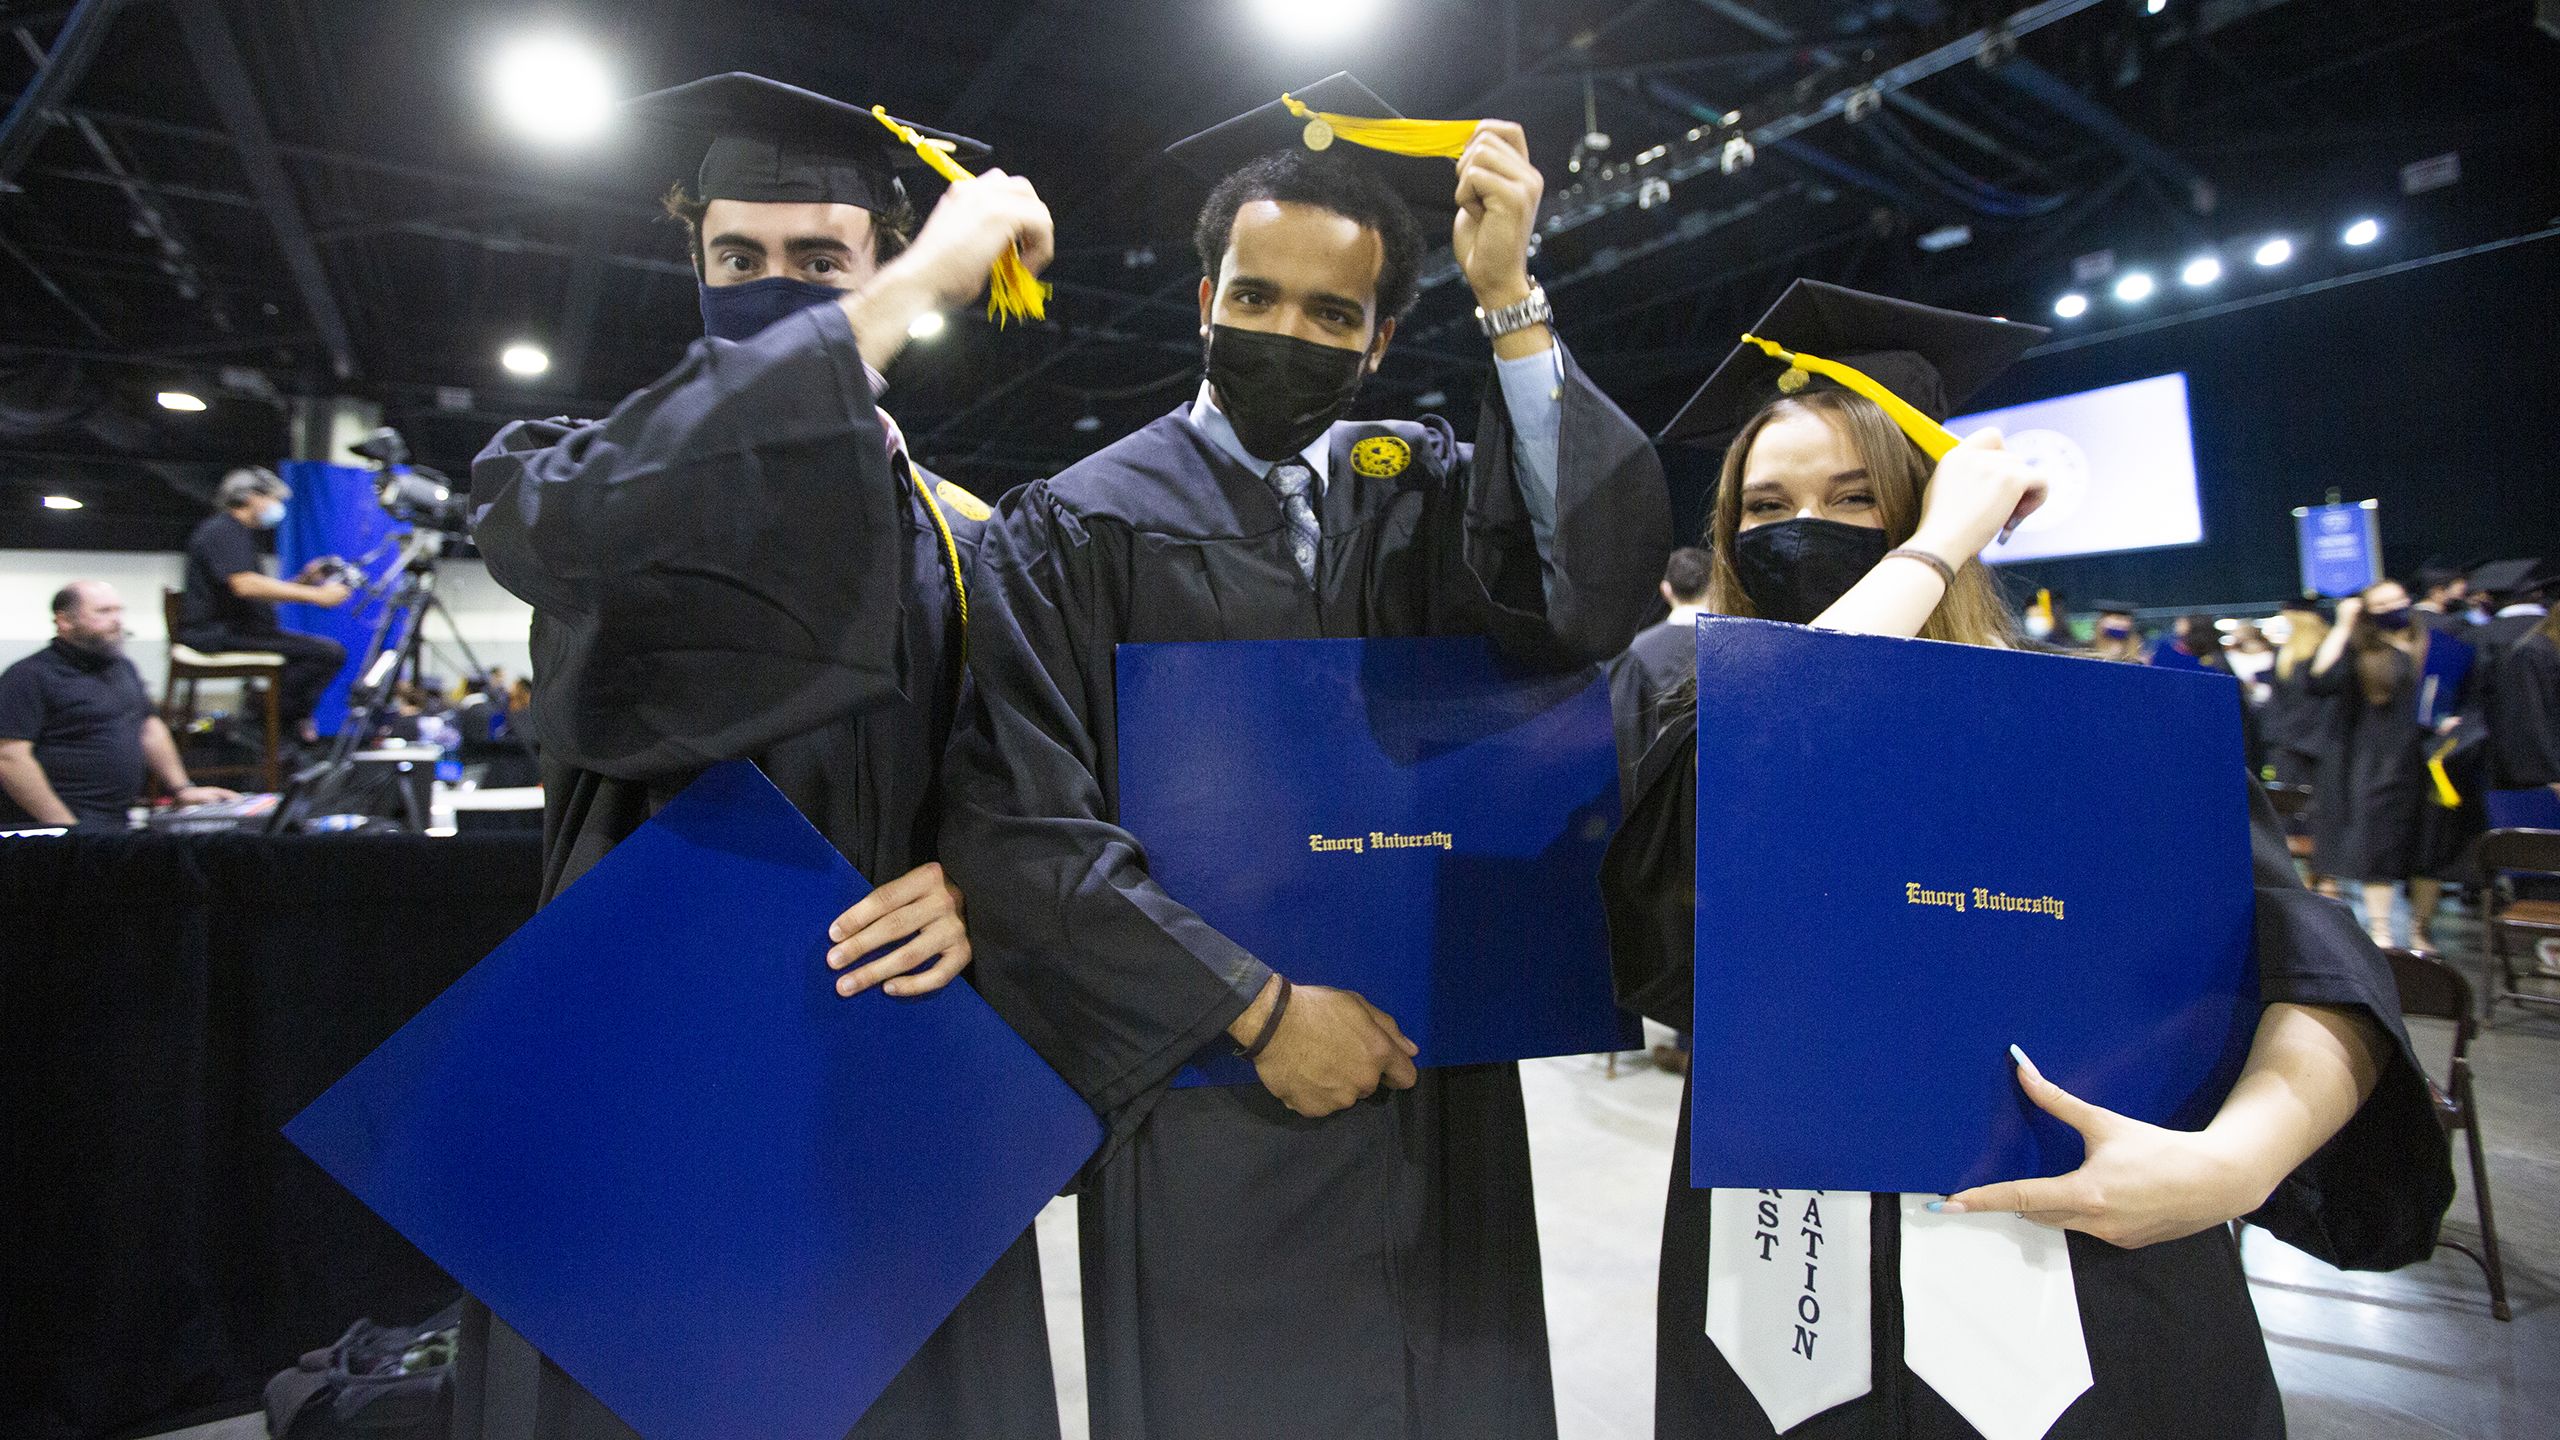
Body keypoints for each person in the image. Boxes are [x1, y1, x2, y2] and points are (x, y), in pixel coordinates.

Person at [940, 73, 1669, 1440]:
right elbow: (1022, 826)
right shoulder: (1077, 525)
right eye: (1255, 298)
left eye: (1333, 313)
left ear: (1382, 338)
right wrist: (1259, 1011)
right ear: (1202, 303)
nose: (1289, 332)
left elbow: (1586, 601)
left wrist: (1510, 297)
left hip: (1432, 1064)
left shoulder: (1434, 490)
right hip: (1214, 1091)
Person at [1609, 280, 2450, 1440]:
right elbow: (1777, 751)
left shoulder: (2098, 731)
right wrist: (1940, 540)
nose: (1802, 526)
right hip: (1783, 1282)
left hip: (2085, 1284)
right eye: (1767, 505)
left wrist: (2235, 1166)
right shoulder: (1701, 737)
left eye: (1859, 498)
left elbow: (2317, 973)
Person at [456, 74, 1063, 1440]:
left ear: (871, 250)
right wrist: (902, 296)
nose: (773, 285)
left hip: (883, 1081)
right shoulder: (568, 479)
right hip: (638, 1072)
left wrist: (979, 884)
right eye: (740, 258)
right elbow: (601, 529)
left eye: (817, 260)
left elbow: (1037, 779)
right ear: (692, 264)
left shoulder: (968, 535)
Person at [2306, 578, 2480, 951]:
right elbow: (2319, 680)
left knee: (2431, 849)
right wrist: (2343, 625)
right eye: (2380, 606)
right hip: (2379, 764)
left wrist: (2453, 720)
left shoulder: (2434, 644)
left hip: (2432, 761)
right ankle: (2381, 931)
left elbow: (2465, 693)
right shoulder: (2361, 650)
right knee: (2378, 848)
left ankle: (2420, 929)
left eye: (2397, 600)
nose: (2393, 609)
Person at [0, 581, 237, 828]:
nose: (117, 620)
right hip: (59, 823)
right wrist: (64, 827)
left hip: (117, 820)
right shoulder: (28, 676)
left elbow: (149, 728)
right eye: (103, 612)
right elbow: (10, 758)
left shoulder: (122, 668)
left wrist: (183, 789)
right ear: (64, 621)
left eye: (118, 611)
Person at [176, 466, 353, 741]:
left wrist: (306, 580)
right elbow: (245, 585)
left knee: (319, 653)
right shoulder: (223, 531)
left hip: (236, 629)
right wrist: (317, 596)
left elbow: (256, 590)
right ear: (252, 497)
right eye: (274, 499)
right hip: (217, 632)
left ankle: (272, 722)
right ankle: (267, 726)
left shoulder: (236, 533)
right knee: (326, 654)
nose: (277, 507)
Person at [1609, 545, 1713, 793]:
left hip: (1665, 794)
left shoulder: (1637, 653)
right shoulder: (1738, 647)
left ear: (1666, 590)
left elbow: (1627, 741)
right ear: (1715, 584)